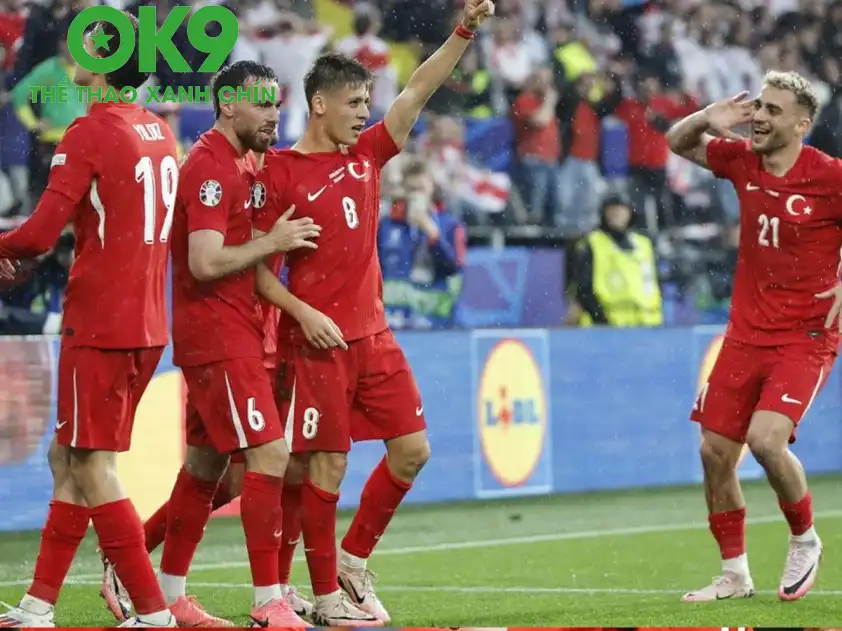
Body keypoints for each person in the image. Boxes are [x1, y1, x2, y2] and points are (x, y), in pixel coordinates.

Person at [252, 0, 495, 625]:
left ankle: (353, 561)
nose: (366, 112)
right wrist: (303, 313)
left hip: (376, 337)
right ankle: (324, 597)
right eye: (355, 102)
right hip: (319, 342)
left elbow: (418, 89)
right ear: (320, 104)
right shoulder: (280, 173)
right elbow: (256, 270)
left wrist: (463, 32)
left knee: (412, 450)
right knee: (323, 465)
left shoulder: (367, 155)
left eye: (367, 102)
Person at [0, 13, 179, 628]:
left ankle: (152, 612)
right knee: (67, 456)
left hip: (101, 321)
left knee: (92, 465)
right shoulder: (158, 130)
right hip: (146, 321)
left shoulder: (89, 131)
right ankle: (38, 605)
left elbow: (39, 235)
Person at [152, 60, 319, 627]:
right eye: (262, 104)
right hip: (219, 335)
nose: (274, 114)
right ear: (227, 104)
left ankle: (167, 595)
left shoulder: (240, 162)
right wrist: (273, 241)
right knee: (270, 455)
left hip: (229, 331)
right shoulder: (210, 166)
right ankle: (268, 600)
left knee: (204, 467)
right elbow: (203, 262)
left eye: (276, 104)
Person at [666, 70, 842, 602]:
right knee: (715, 452)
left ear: (802, 125)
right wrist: (706, 117)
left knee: (765, 441)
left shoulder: (829, 176)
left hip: (805, 336)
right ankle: (735, 575)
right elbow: (677, 143)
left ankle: (805, 539)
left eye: (772, 110)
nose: (759, 117)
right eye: (758, 106)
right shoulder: (742, 160)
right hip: (745, 334)